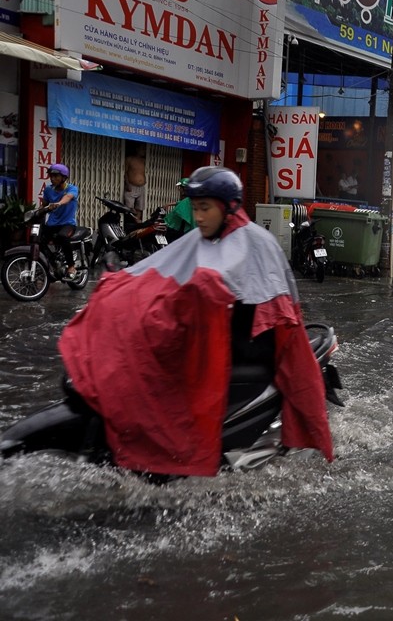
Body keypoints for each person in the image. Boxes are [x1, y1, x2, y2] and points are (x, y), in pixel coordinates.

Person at [58, 166, 334, 476]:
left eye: (205, 208)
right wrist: (117, 283)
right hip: (216, 332)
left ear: (228, 207)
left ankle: (175, 458)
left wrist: (191, 296)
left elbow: (217, 279)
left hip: (251, 344)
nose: (199, 216)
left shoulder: (252, 242)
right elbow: (159, 269)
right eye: (196, 208)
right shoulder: (208, 237)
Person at [39, 163, 80, 279]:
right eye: (51, 176)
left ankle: (71, 266)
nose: (52, 178)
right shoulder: (48, 190)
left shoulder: (72, 188)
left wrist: (58, 203)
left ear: (64, 177)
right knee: (38, 240)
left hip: (67, 224)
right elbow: (44, 206)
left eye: (56, 176)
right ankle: (53, 263)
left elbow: (67, 198)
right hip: (52, 224)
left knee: (62, 237)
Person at [123, 141, 147, 220]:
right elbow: (125, 172)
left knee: (140, 207)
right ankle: (133, 222)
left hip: (141, 186)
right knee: (129, 207)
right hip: (131, 186)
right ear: (137, 149)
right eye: (142, 149)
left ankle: (137, 223)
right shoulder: (129, 159)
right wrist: (127, 184)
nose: (144, 150)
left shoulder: (143, 160)